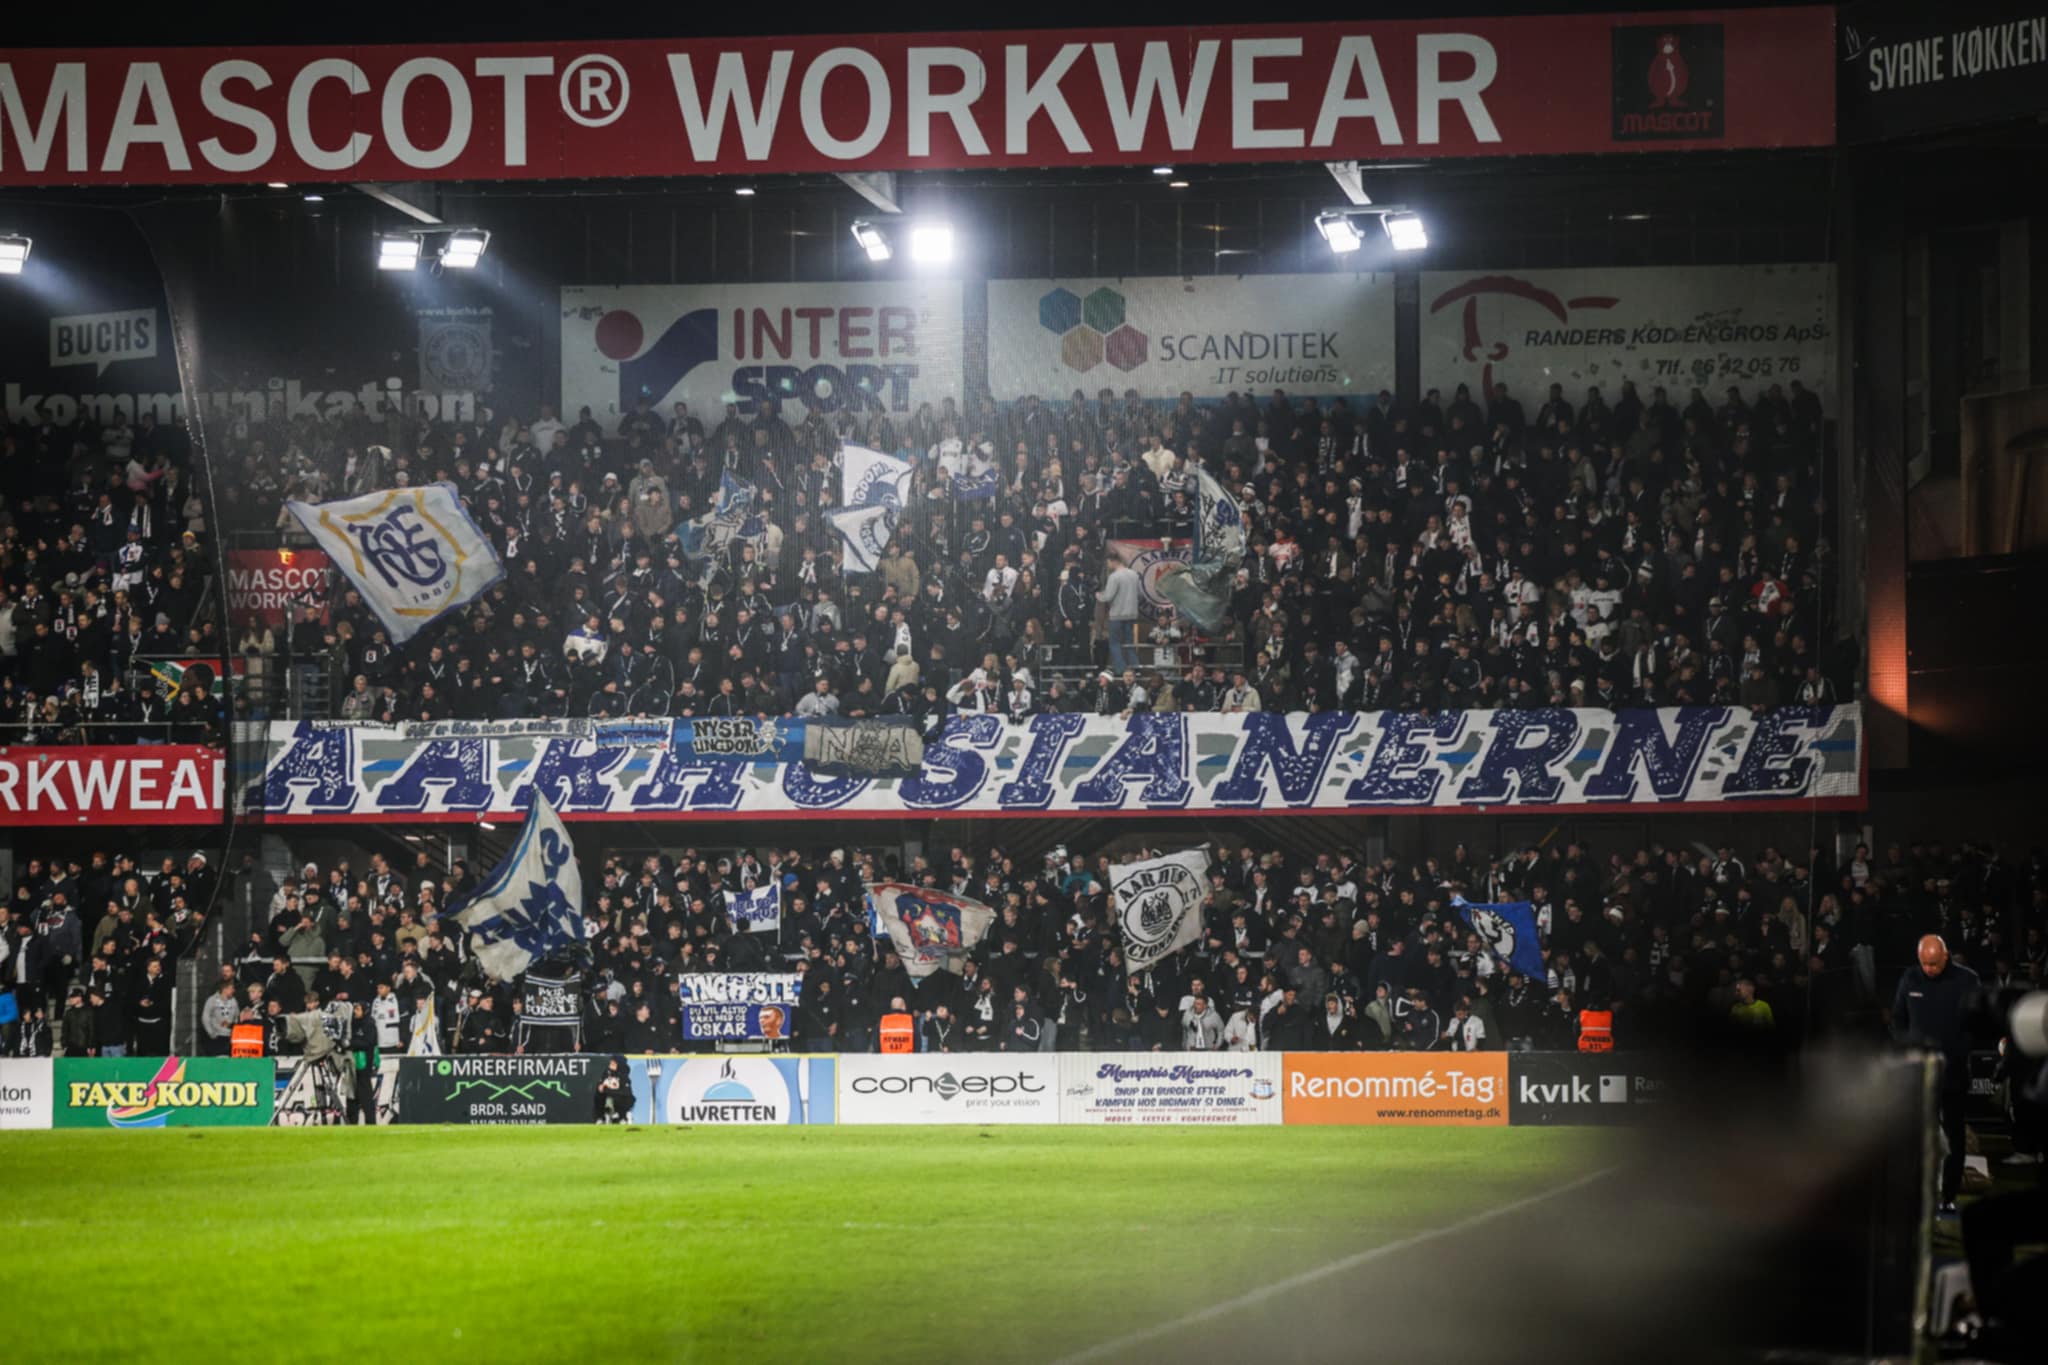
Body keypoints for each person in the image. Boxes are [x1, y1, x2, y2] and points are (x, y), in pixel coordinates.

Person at [1890, 934, 1980, 1212]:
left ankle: (1949, 1196)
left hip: (1953, 1073)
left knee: (1954, 1137)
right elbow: (1897, 1019)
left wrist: (1961, 1049)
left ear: (1945, 955)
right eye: (1924, 963)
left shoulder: (1967, 980)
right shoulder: (1910, 979)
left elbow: (1978, 1021)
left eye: (1934, 963)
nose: (1929, 969)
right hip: (1919, 1073)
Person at [1096, 550, 1142, 671]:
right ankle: (1135, 668)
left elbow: (1108, 596)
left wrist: (1098, 595)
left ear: (1113, 561)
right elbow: (1140, 594)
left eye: (1108, 563)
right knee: (1130, 644)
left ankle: (1121, 670)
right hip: (1131, 614)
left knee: (1114, 643)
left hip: (1117, 615)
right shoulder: (1134, 574)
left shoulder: (1114, 577)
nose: (1108, 565)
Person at [596, 1055, 636, 1123]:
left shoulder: (624, 1077)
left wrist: (608, 1090)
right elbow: (600, 1087)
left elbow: (626, 1092)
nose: (610, 1065)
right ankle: (602, 1117)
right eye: (610, 1063)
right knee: (600, 1097)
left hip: (621, 1101)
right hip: (607, 1099)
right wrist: (601, 1086)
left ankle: (623, 1117)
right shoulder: (606, 1073)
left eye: (613, 1064)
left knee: (624, 1099)